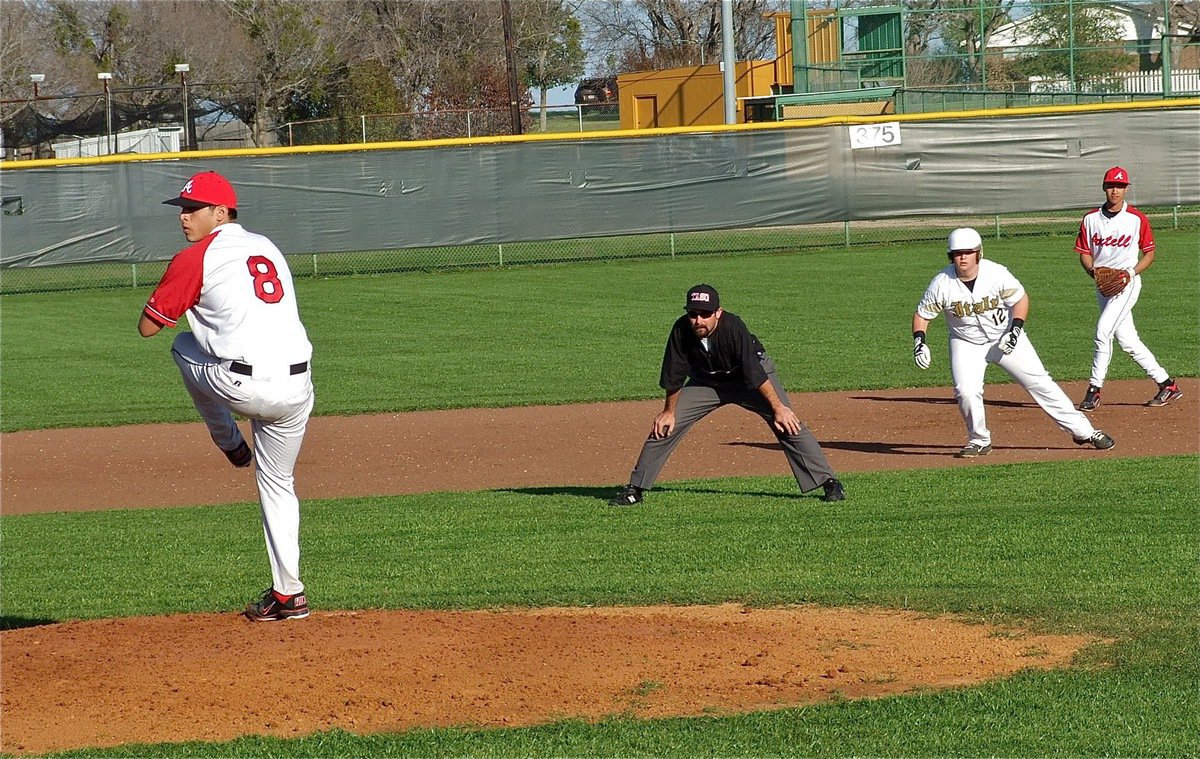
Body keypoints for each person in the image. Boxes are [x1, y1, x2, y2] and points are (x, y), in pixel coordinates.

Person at [138, 170, 316, 622]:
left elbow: (149, 327)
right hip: (298, 386)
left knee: (181, 347)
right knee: (279, 483)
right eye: (182, 209)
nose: (184, 218)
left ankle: (229, 441)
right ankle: (288, 594)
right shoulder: (266, 246)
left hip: (244, 385)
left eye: (193, 209)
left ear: (221, 213)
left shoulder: (196, 257)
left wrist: (189, 297)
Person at [609, 284, 844, 506]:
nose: (698, 319)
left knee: (787, 423)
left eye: (705, 313)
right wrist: (668, 412)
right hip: (706, 381)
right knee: (666, 425)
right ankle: (635, 489)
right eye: (693, 314)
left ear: (718, 313)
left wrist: (778, 408)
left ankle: (829, 482)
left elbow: (753, 371)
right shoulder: (681, 329)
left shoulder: (733, 327)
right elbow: (674, 373)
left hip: (748, 378)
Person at [912, 228, 1115, 458]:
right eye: (958, 253)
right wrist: (920, 342)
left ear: (979, 253)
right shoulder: (942, 283)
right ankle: (979, 440)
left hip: (1005, 337)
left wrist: (1015, 330)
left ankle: (1085, 432)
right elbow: (922, 315)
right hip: (965, 342)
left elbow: (1020, 300)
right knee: (966, 391)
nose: (963, 257)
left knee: (1039, 382)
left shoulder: (996, 273)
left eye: (969, 252)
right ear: (951, 256)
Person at [1074, 166, 1181, 411]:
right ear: (1104, 187)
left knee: (1103, 332)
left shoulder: (1136, 218)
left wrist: (1130, 273)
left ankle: (1094, 390)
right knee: (1129, 341)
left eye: (1120, 186)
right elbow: (1084, 253)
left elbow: (1149, 253)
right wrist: (1093, 272)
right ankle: (1167, 384)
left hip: (1127, 284)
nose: (1115, 190)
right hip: (1103, 286)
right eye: (1111, 185)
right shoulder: (1091, 219)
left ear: (1126, 189)